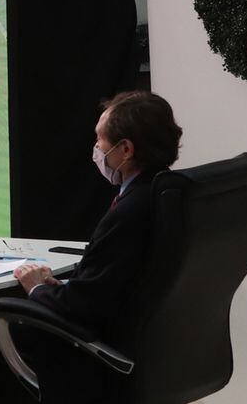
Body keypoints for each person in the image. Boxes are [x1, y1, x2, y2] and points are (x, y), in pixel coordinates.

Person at [14, 91, 183, 334]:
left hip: (96, 343)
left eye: (99, 139)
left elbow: (80, 307)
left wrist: (37, 288)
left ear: (125, 149)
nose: (96, 148)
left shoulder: (129, 212)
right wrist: (63, 286)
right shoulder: (170, 193)